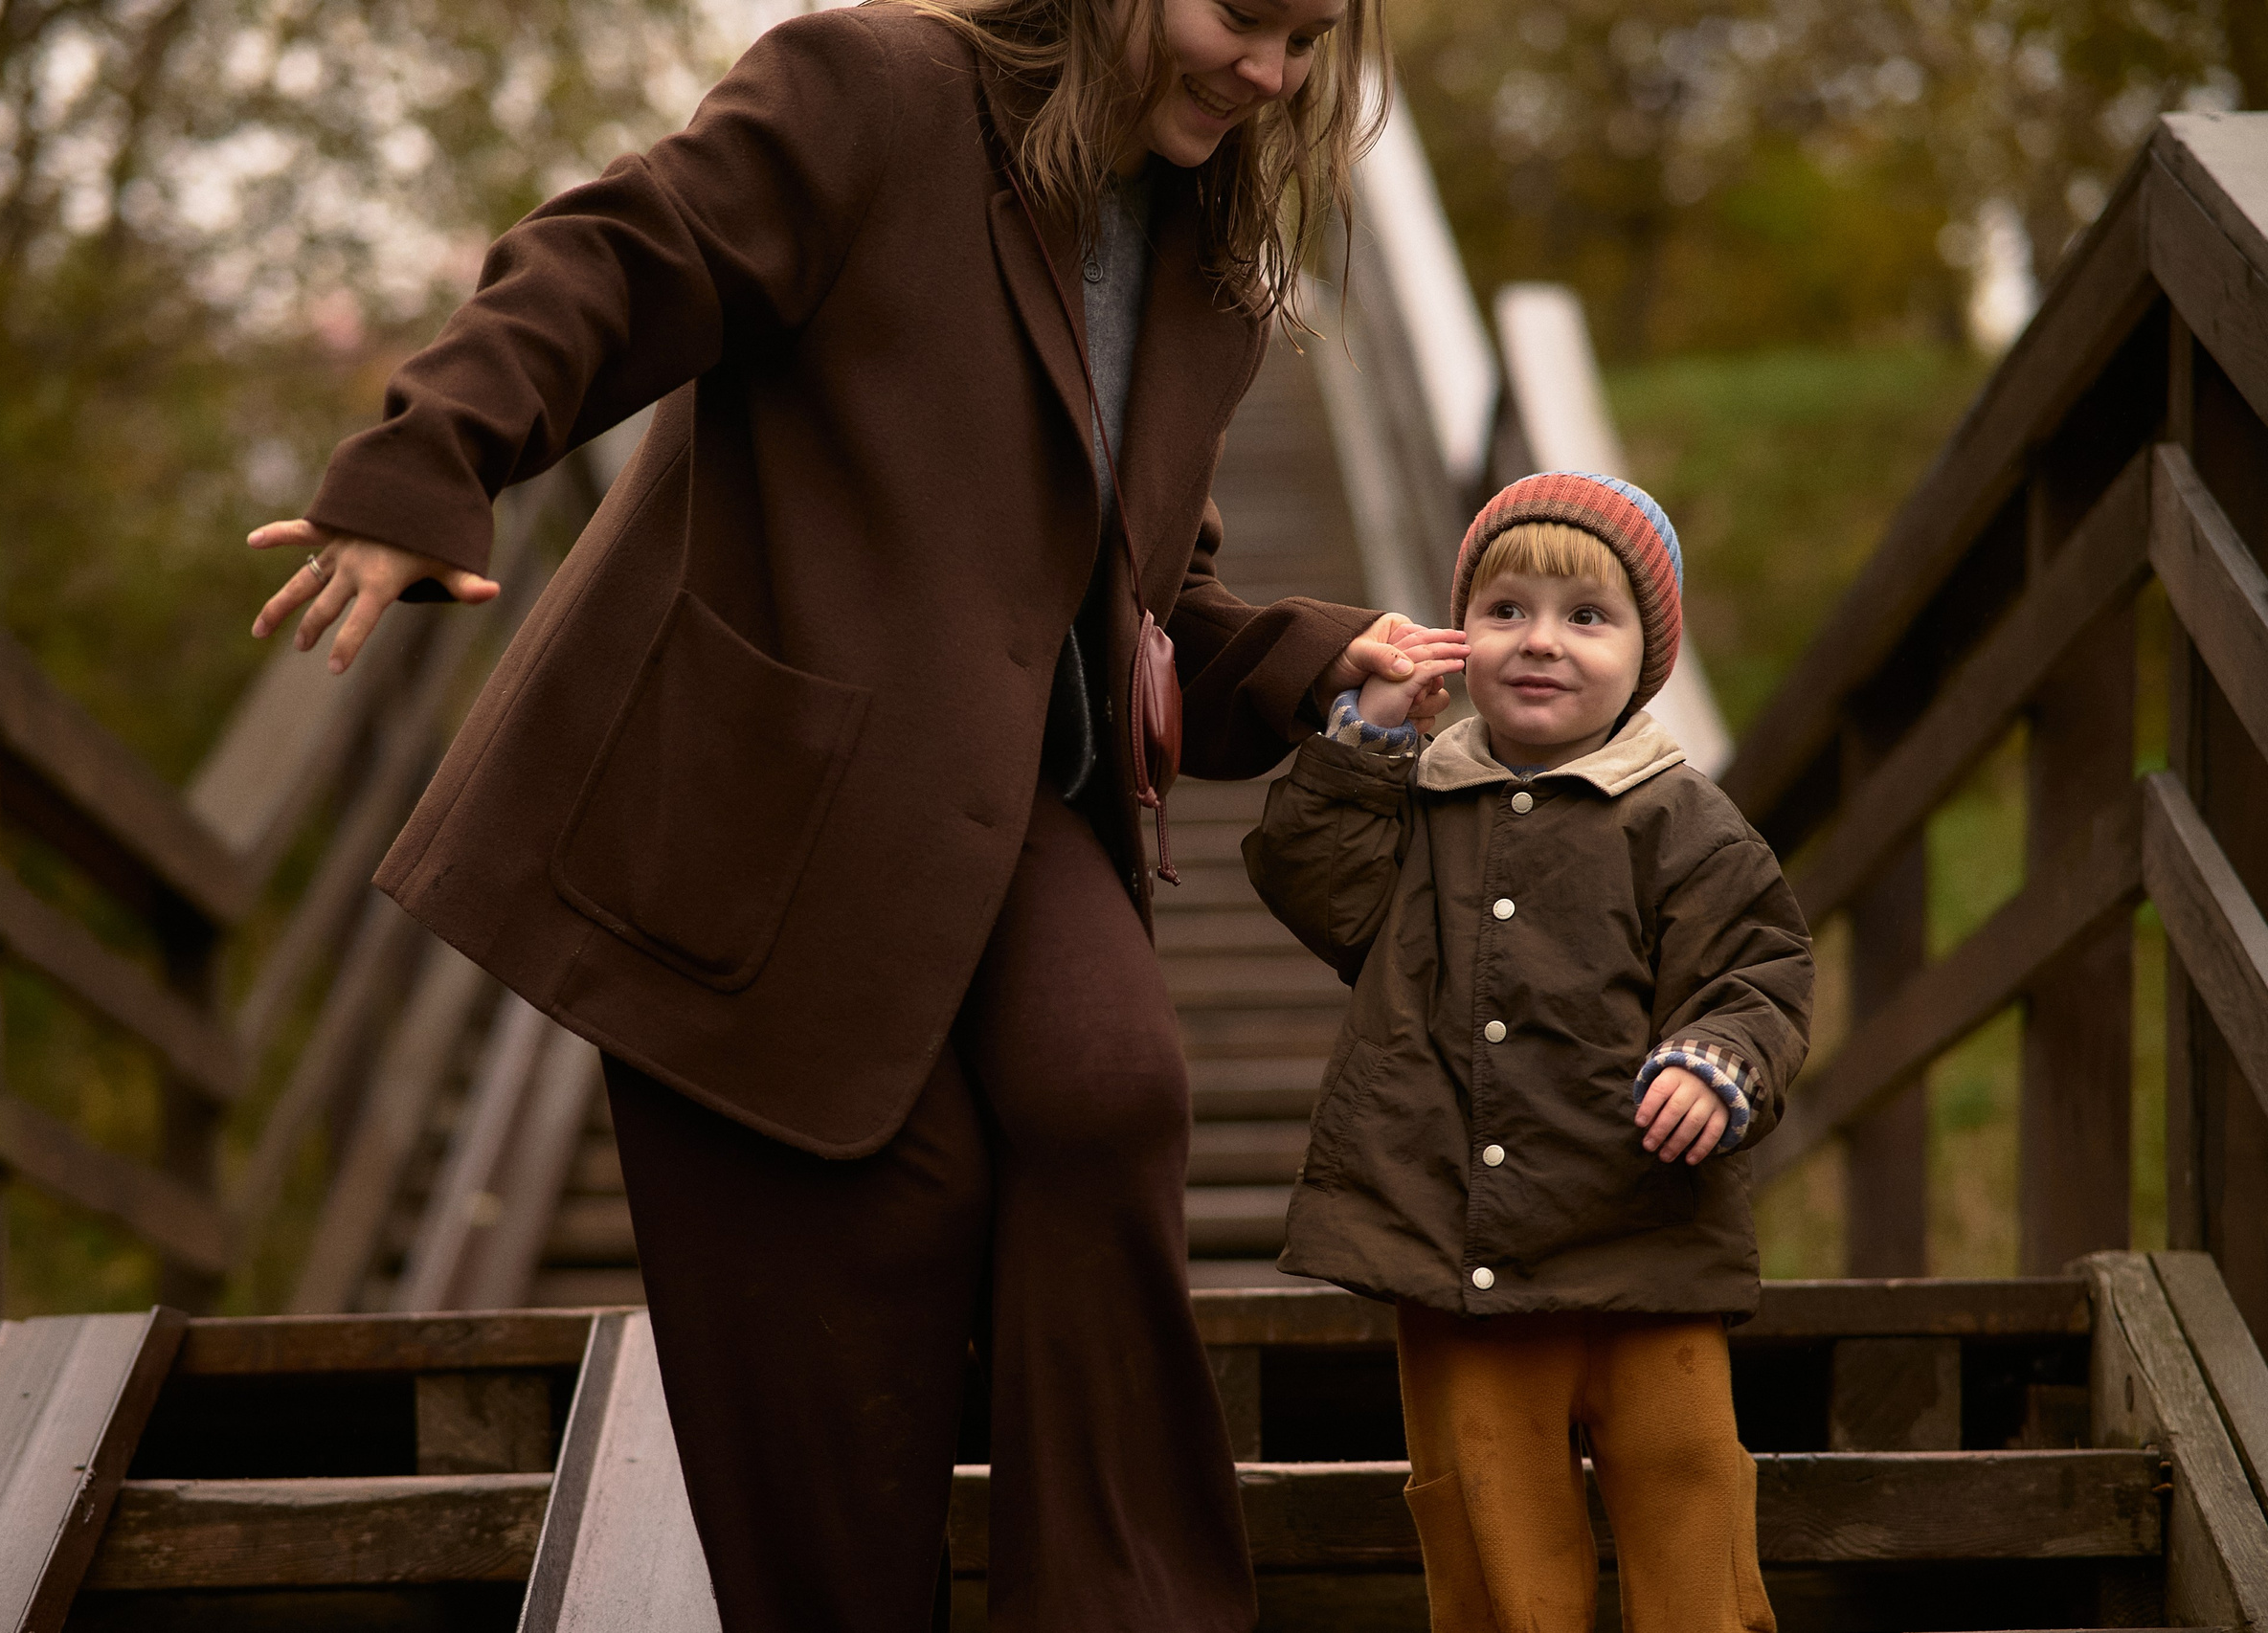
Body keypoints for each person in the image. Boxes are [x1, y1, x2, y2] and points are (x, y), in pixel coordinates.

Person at [241, 0, 1469, 1624]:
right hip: (752, 815)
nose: (1274, 73)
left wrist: (1324, 665)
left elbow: (1145, 590)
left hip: (1008, 803)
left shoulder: (1203, 276)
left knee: (1110, 1080)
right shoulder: (874, 95)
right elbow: (619, 255)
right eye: (1244, 17)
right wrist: (429, 459)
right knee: (881, 1223)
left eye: (1310, 40)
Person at [1243, 471, 1814, 1633]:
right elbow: (1315, 883)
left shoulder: (1681, 819)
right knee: (1495, 1527)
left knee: (1686, 1498)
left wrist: (1719, 1060)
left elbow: (1757, 970)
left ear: (1645, 653)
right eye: (1505, 611)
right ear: (1461, 636)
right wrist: (1365, 743)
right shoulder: (1414, 805)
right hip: (1467, 1258)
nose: (1540, 642)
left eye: (1585, 617)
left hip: (1645, 1233)